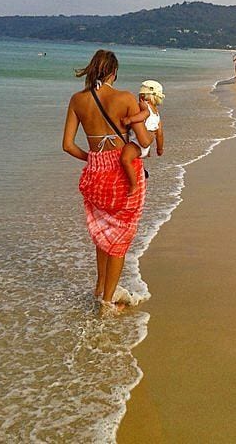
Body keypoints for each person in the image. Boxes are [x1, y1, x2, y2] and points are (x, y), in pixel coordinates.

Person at [62, 50, 152, 314]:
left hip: (95, 172)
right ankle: (107, 302)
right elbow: (144, 140)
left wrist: (93, 159)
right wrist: (146, 115)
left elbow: (67, 145)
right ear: (114, 72)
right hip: (123, 174)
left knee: (103, 235)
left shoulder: (77, 100)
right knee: (120, 239)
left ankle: (100, 288)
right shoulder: (124, 98)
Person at [120, 80, 165, 196]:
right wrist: (159, 149)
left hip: (137, 143)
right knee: (131, 160)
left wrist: (129, 119)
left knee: (125, 159)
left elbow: (144, 115)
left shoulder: (144, 106)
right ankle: (140, 174)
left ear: (144, 95)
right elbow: (159, 133)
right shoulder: (157, 113)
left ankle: (134, 184)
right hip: (145, 146)